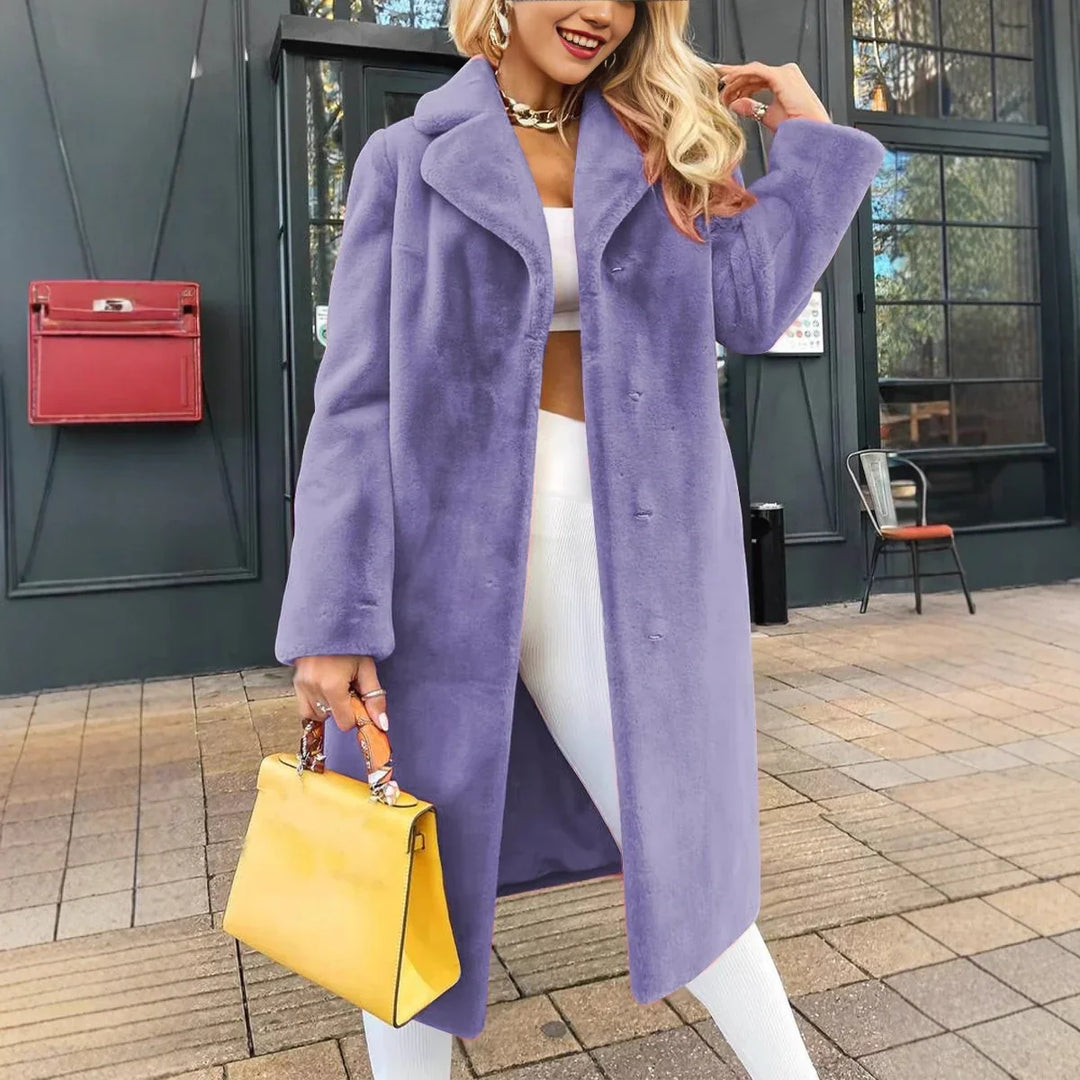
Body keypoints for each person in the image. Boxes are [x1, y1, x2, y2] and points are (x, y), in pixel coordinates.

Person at [276, 1, 886, 1077]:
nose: (601, 11)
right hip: (439, 571)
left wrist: (812, 140)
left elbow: (747, 306)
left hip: (632, 554)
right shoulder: (404, 160)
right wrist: (332, 614)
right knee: (407, 879)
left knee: (686, 857)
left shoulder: (654, 146)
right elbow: (356, 401)